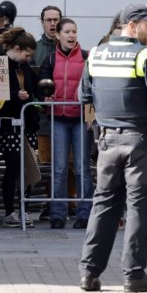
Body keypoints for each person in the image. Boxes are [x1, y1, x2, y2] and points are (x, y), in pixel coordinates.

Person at [78, 3, 147, 293]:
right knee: (140, 210)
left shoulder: (95, 54)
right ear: (132, 25)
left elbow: (84, 95)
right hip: (139, 143)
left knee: (103, 206)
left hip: (107, 142)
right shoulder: (144, 55)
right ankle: (133, 275)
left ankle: (89, 274)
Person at [38, 18, 92, 230]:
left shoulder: (88, 58)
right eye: (67, 32)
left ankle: (84, 214)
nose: (71, 36)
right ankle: (57, 214)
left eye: (74, 32)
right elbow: (41, 87)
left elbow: (93, 89)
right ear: (58, 35)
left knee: (82, 169)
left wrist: (90, 117)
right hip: (59, 120)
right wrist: (45, 100)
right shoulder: (50, 60)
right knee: (59, 169)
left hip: (80, 121)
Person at [0, 27, 39, 227]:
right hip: (9, 125)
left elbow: (32, 89)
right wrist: (14, 95)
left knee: (28, 168)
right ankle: (11, 211)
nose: (28, 59)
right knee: (13, 168)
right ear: (18, 48)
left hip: (26, 125)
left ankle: (25, 208)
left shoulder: (24, 67)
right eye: (27, 54)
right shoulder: (0, 65)